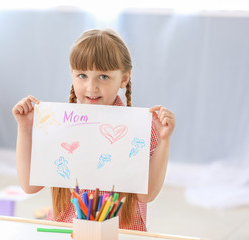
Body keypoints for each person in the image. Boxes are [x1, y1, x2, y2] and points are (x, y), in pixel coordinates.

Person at [12, 29, 175, 231]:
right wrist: (25, 128)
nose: (91, 87)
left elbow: (146, 195)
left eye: (103, 77)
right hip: (65, 230)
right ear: (72, 74)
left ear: (124, 78)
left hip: (119, 232)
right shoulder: (58, 123)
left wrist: (164, 141)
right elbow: (30, 186)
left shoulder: (140, 128)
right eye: (82, 75)